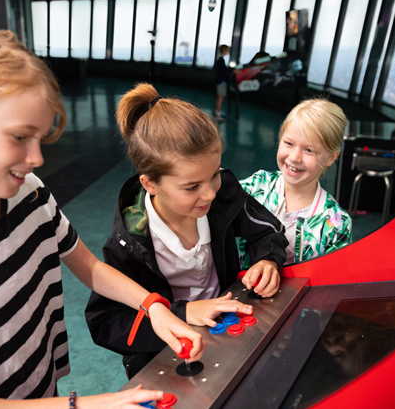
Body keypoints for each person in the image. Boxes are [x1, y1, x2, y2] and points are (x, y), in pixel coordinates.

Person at [0, 23, 204, 409]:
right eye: (19, 137)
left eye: (39, 138)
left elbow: (89, 267)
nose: (37, 158)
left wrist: (153, 307)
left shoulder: (30, 194)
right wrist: (81, 406)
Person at [85, 83, 288, 378]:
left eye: (214, 175)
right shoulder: (128, 243)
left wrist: (267, 260)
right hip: (169, 357)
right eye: (192, 187)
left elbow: (267, 231)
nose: (208, 194)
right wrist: (182, 314)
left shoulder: (222, 195)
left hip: (231, 337)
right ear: (150, 184)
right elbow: (107, 322)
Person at [239, 99, 352, 266]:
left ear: (331, 158)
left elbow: (330, 279)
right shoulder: (257, 186)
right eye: (289, 143)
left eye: (309, 150)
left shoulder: (336, 223)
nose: (294, 157)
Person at [214, 44, 231, 120]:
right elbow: (224, 71)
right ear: (224, 51)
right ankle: (218, 115)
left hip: (219, 81)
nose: (228, 52)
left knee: (219, 97)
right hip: (222, 82)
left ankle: (217, 113)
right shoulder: (221, 60)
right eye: (227, 50)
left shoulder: (219, 60)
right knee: (220, 98)